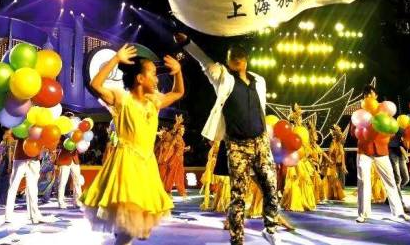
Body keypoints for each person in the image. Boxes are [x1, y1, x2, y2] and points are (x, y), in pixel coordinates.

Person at [178, 32, 283, 245]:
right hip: (237, 145)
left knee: (272, 188)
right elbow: (205, 62)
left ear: (245, 60)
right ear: (228, 61)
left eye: (239, 58)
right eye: (232, 58)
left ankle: (270, 229)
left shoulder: (258, 81)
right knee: (238, 195)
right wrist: (187, 43)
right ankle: (237, 239)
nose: (236, 61)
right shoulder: (223, 78)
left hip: (261, 142)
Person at [81, 44, 184, 245]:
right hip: (126, 164)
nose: (157, 79)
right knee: (128, 226)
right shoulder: (122, 99)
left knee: (141, 228)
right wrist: (115, 59)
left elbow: (178, 92)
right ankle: (121, 236)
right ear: (140, 78)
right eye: (153, 74)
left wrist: (178, 72)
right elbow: (96, 84)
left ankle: (121, 234)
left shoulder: (154, 101)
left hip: (147, 164)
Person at [355, 85, 410, 224]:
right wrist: (366, 127)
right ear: (363, 97)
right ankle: (363, 213)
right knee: (363, 181)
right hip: (364, 150)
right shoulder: (360, 112)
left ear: (376, 96)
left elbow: (391, 128)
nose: (368, 97)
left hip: (381, 150)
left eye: (371, 94)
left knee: (391, 181)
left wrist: (388, 133)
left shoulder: (383, 109)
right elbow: (354, 132)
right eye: (366, 95)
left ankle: (398, 212)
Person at [4, 130, 56, 224]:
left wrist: (47, 148)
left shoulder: (40, 125)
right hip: (20, 157)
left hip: (34, 158)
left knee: (33, 189)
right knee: (13, 187)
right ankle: (8, 216)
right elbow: (12, 134)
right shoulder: (21, 123)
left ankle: (34, 215)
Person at [388, 129, 410, 212]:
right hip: (393, 152)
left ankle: (392, 194)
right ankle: (401, 204)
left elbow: (407, 144)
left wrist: (408, 153)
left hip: (401, 154)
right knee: (398, 179)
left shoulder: (408, 129)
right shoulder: (397, 128)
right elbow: (399, 145)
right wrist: (406, 155)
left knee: (406, 179)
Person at [324, 125, 346, 201]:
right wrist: (328, 162)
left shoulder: (340, 145)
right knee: (333, 180)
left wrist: (343, 165)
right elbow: (329, 154)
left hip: (338, 163)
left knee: (339, 179)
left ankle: (338, 193)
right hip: (333, 164)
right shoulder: (333, 144)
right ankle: (334, 194)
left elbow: (342, 155)